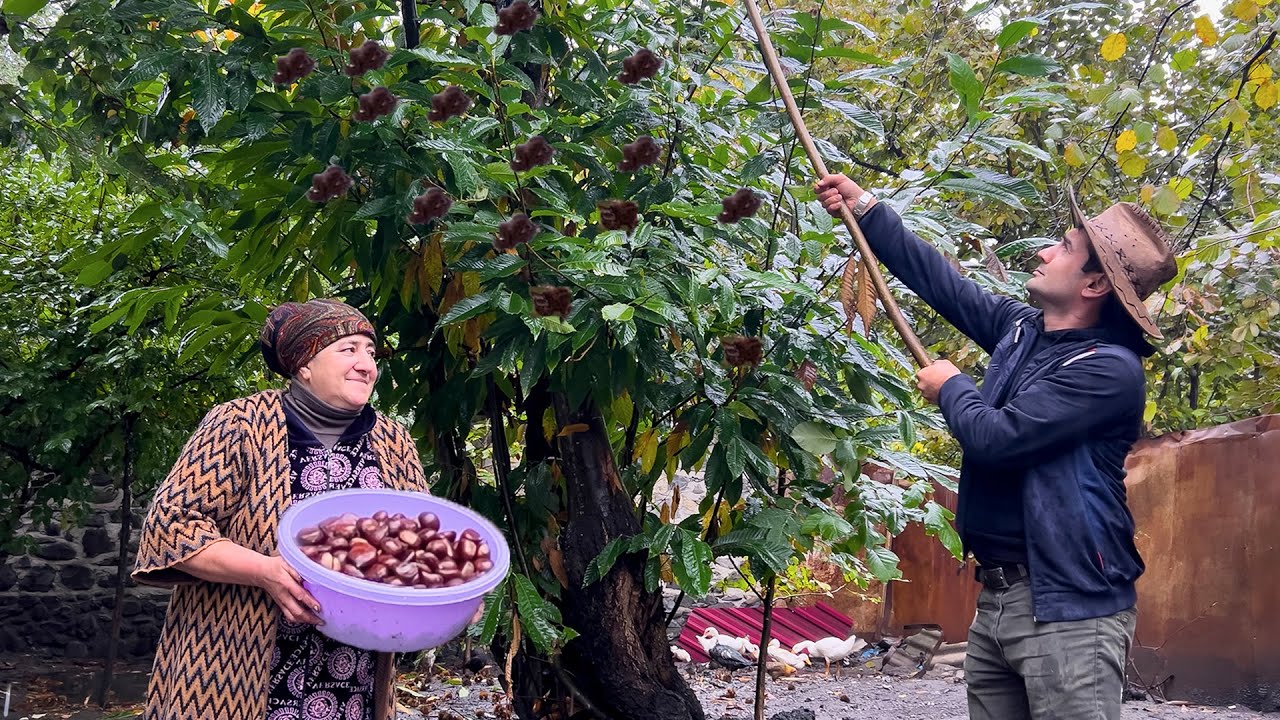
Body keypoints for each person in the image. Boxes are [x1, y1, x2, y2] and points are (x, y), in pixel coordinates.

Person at [816, 175, 1177, 720]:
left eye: (1065, 247)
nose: (1044, 252)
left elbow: (997, 438)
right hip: (998, 597)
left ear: (1095, 285)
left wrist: (952, 386)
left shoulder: (1108, 370)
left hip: (1069, 608)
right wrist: (865, 208)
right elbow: (944, 285)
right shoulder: (1024, 331)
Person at [133, 299, 429, 720]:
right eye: (348, 349)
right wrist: (264, 571)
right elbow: (171, 527)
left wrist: (444, 593)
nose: (366, 365)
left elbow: (422, 546)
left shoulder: (392, 441)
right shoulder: (240, 424)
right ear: (304, 364)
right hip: (231, 670)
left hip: (353, 680)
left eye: (370, 351)